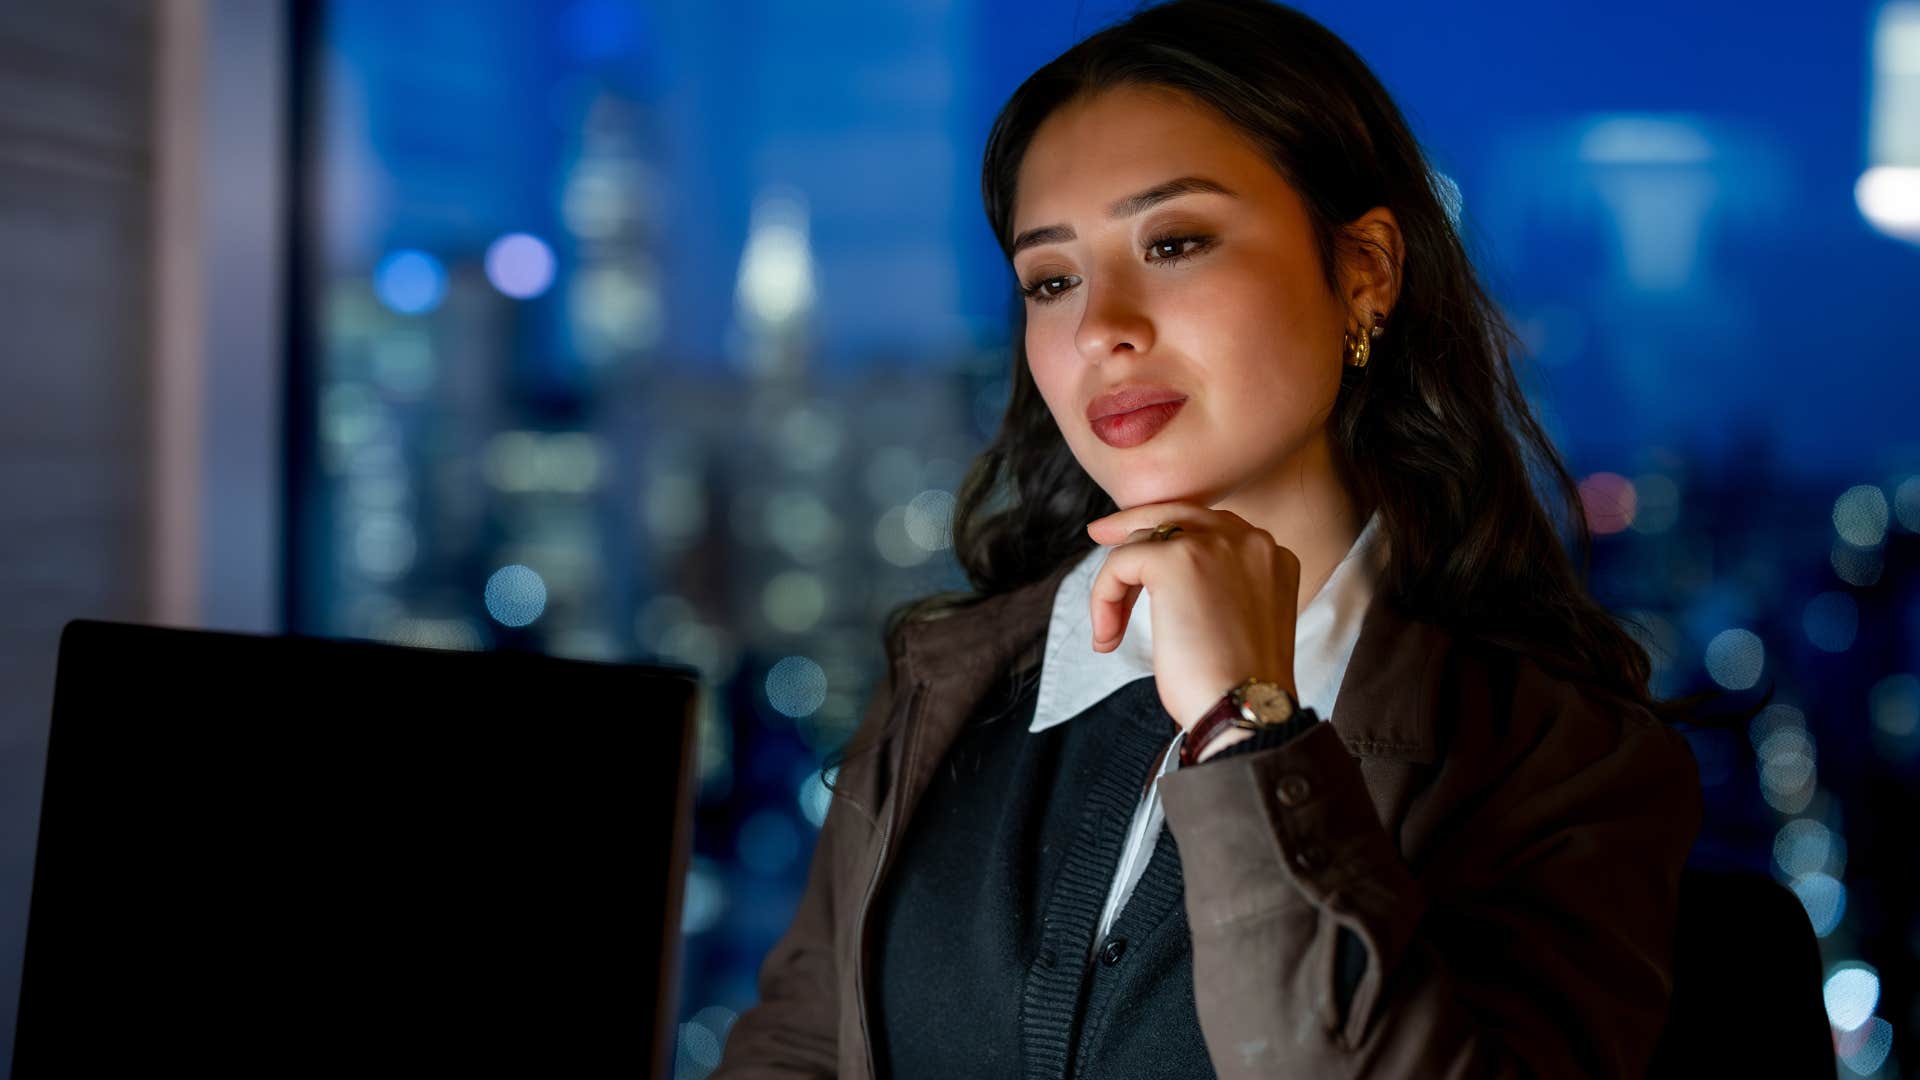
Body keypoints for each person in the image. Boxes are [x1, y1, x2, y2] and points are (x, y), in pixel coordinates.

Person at [713, 1, 1718, 1075]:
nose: (1103, 326)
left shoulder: (1558, 761)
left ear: (1365, 272)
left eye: (1176, 241)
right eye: (1052, 279)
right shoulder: (945, 694)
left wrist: (1249, 734)